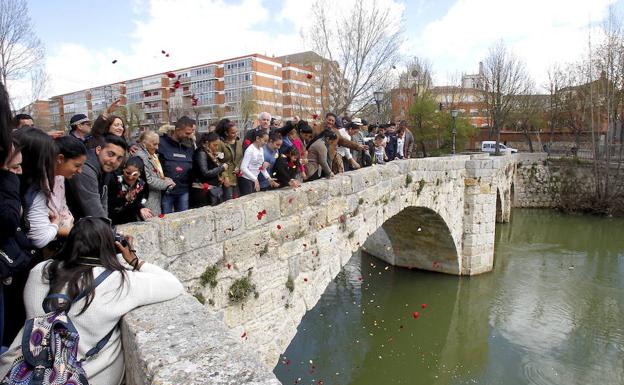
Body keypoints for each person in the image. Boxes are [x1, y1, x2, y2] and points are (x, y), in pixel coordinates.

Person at [0, 217, 184, 385]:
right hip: (85, 377)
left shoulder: (40, 271)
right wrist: (133, 260)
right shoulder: (119, 282)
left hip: (24, 373)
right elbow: (174, 285)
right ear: (110, 245)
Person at [66, 134, 127, 220]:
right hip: (69, 226)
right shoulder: (85, 169)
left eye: (119, 159)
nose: (114, 161)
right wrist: (107, 230)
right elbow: (94, 211)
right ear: (98, 150)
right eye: (110, 154)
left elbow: (103, 203)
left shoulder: (105, 167)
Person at [158, 116, 195, 214]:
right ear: (178, 130)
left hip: (184, 190)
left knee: (183, 218)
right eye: (187, 133)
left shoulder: (190, 145)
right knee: (166, 220)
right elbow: (144, 145)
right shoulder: (161, 142)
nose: (189, 135)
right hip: (166, 191)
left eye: (191, 133)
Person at [134, 130, 175, 217]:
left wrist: (166, 179)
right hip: (147, 201)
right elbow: (148, 180)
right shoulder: (141, 156)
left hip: (154, 199)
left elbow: (155, 174)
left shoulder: (150, 155)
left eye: (158, 144)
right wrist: (166, 183)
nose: (157, 148)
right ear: (144, 144)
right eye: (154, 144)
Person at [107, 157, 152, 225]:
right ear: (124, 169)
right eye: (128, 173)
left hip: (129, 218)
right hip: (112, 218)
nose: (130, 177)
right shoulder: (114, 180)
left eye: (135, 174)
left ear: (140, 173)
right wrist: (125, 199)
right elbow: (109, 202)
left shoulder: (141, 184)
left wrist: (141, 208)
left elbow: (138, 202)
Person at [190, 132, 227, 208]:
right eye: (214, 145)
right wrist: (221, 168)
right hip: (202, 191)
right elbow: (205, 172)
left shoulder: (209, 152)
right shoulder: (201, 153)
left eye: (217, 145)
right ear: (207, 143)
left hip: (210, 190)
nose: (216, 148)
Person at [238, 131, 277, 196]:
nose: (266, 143)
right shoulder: (250, 150)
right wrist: (255, 179)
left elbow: (261, 167)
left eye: (267, 141)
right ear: (257, 138)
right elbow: (243, 167)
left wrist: (269, 178)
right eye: (264, 141)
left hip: (254, 179)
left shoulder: (261, 149)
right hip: (246, 179)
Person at [215, 119, 243, 201]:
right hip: (226, 178)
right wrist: (225, 176)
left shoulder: (238, 142)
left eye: (236, 132)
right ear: (226, 133)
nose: (235, 134)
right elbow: (218, 161)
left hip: (237, 178)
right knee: (228, 203)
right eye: (233, 133)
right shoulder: (221, 144)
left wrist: (239, 167)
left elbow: (241, 157)